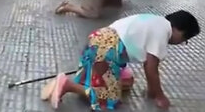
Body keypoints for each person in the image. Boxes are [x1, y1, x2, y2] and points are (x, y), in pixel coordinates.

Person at [42, 10, 200, 111]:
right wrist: (159, 95)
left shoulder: (155, 21)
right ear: (180, 30)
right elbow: (151, 67)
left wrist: (152, 90)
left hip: (99, 40)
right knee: (110, 99)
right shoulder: (164, 31)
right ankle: (67, 85)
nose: (180, 43)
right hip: (108, 49)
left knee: (126, 80)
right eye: (184, 39)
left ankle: (85, 84)